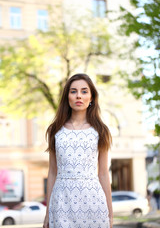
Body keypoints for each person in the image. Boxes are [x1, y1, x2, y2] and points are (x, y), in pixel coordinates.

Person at [43, 73, 113, 228]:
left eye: (84, 91)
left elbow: (103, 173)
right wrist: (48, 213)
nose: (78, 96)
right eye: (73, 91)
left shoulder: (101, 131)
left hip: (93, 202)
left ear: (91, 98)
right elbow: (53, 172)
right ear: (67, 97)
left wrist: (110, 213)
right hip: (61, 203)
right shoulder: (55, 130)